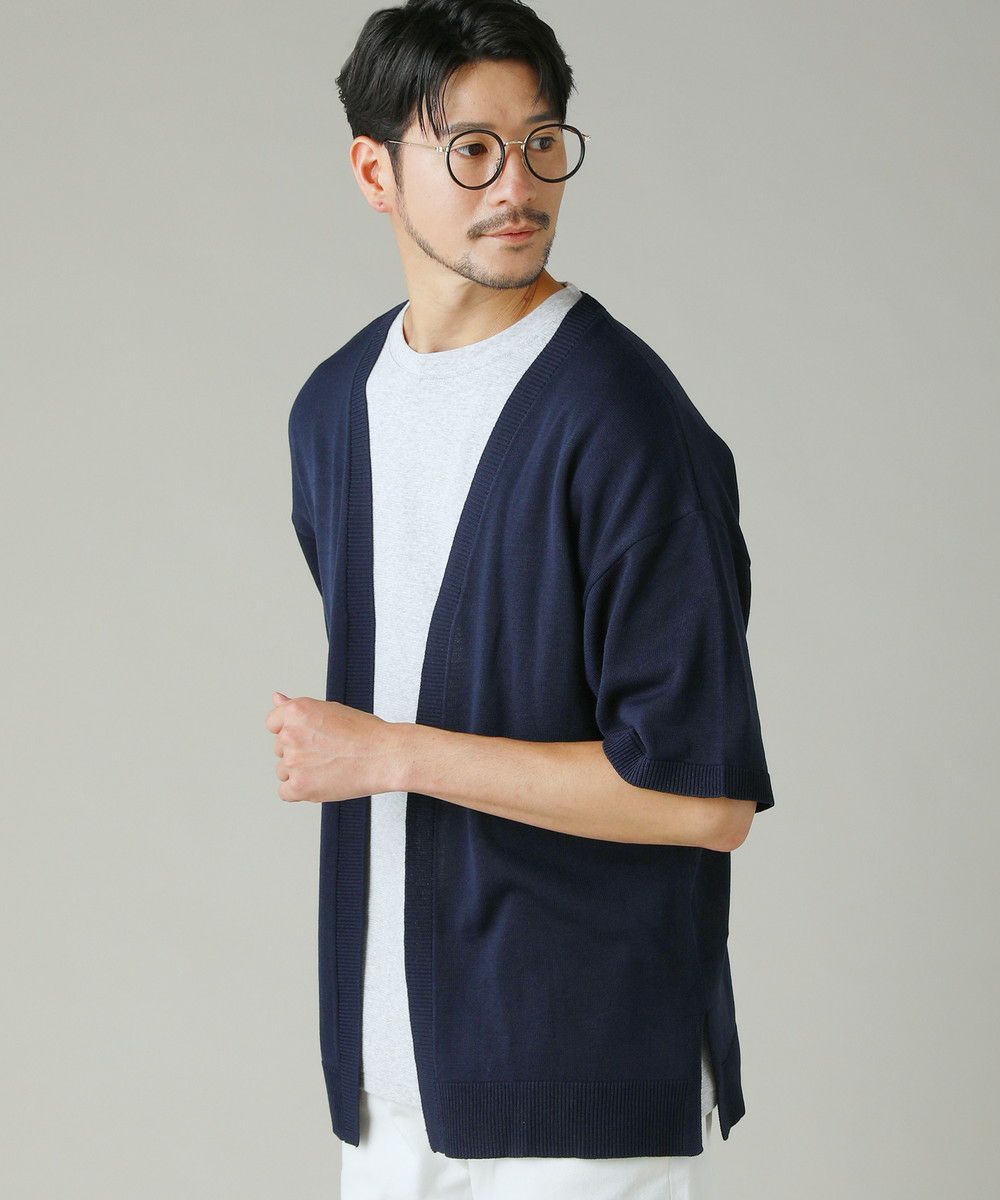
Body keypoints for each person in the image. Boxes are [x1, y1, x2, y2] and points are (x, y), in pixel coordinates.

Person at [266, 2, 776, 1196]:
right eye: (472, 149)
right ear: (374, 172)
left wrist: (390, 753)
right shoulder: (334, 410)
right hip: (386, 1086)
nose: (517, 184)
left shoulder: (622, 421)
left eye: (541, 142)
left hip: (577, 1087)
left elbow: (703, 799)